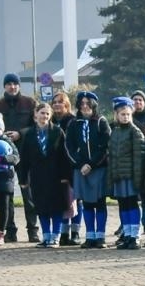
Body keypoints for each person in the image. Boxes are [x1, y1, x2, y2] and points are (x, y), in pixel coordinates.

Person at [18, 102, 71, 247]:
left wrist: (66, 176)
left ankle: (56, 236)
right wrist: (23, 178)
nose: (45, 116)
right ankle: (46, 236)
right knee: (41, 207)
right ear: (36, 114)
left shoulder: (57, 132)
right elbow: (24, 158)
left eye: (47, 113)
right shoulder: (29, 134)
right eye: (42, 113)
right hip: (37, 177)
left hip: (56, 176)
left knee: (56, 207)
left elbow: (64, 156)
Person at [0, 73, 36, 243]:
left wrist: (20, 134)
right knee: (6, 195)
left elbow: (36, 125)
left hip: (24, 153)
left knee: (28, 193)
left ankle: (33, 229)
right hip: (2, 158)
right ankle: (10, 231)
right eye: (9, 83)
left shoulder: (30, 103)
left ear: (19, 86)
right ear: (4, 86)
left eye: (15, 83)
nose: (12, 86)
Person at [65, 91, 111, 248]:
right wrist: (80, 164)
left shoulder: (101, 122)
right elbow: (69, 146)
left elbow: (105, 146)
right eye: (82, 103)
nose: (85, 106)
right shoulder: (73, 123)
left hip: (98, 168)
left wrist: (91, 164)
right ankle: (90, 235)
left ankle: (101, 236)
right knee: (87, 203)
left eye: (88, 103)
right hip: (81, 169)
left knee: (100, 202)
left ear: (94, 104)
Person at [107, 97, 145, 250]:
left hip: (130, 176)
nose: (125, 117)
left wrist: (138, 179)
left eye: (128, 114)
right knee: (123, 205)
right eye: (122, 114)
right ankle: (127, 234)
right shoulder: (115, 132)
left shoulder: (135, 132)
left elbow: (139, 156)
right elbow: (111, 157)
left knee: (132, 204)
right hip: (119, 177)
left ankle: (135, 236)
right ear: (116, 115)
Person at [49, 90, 81, 246]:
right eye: (54, 102)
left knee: (75, 199)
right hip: (56, 166)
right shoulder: (51, 121)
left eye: (60, 102)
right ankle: (63, 232)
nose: (56, 105)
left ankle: (75, 232)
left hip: (71, 164)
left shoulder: (72, 121)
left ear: (66, 104)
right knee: (62, 200)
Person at [0, 114, 17, 244]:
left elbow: (16, 158)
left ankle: (1, 233)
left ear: (2, 129)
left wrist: (2, 159)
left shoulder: (7, 141)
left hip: (5, 178)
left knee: (3, 206)